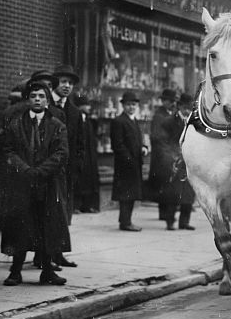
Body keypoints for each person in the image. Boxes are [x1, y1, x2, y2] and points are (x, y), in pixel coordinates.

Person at [0, 80, 69, 286]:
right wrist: (26, 170)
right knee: (20, 227)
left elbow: (61, 153)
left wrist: (41, 171)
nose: (37, 99)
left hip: (47, 185)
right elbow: (8, 151)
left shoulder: (57, 126)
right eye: (33, 96)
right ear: (28, 99)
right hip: (23, 185)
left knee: (47, 228)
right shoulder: (16, 124)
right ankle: (15, 271)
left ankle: (47, 271)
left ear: (47, 101)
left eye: (41, 96)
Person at [50, 64, 83, 268]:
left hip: (67, 170)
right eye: (63, 82)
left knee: (63, 214)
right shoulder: (46, 106)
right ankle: (44, 255)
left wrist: (77, 165)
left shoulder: (74, 112)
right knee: (50, 212)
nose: (67, 86)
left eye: (70, 83)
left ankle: (58, 253)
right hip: (49, 169)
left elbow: (79, 143)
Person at [110, 90, 148, 231]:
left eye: (133, 105)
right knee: (126, 195)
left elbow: (138, 140)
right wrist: (129, 159)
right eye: (128, 105)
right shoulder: (118, 121)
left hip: (135, 163)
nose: (131, 107)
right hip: (125, 165)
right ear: (123, 106)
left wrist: (143, 147)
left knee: (131, 194)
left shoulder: (134, 121)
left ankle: (126, 221)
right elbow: (118, 145)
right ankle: (125, 222)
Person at [148, 89, 181, 229]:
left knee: (168, 185)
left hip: (171, 152)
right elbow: (157, 137)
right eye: (170, 101)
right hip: (162, 154)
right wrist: (169, 152)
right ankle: (167, 215)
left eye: (174, 101)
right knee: (167, 185)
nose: (173, 104)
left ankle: (165, 213)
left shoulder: (172, 114)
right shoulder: (158, 115)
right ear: (164, 101)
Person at [168, 92, 196, 230]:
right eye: (184, 108)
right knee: (174, 193)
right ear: (179, 107)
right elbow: (167, 141)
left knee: (188, 194)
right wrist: (174, 156)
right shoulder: (171, 121)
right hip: (176, 160)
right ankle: (170, 221)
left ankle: (184, 222)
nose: (187, 111)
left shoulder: (193, 122)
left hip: (189, 162)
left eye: (189, 108)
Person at [72, 92, 101, 213]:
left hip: (89, 156)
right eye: (87, 105)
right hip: (80, 156)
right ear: (80, 106)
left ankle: (87, 205)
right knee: (79, 181)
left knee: (89, 181)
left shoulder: (88, 120)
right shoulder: (76, 118)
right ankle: (76, 206)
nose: (89, 107)